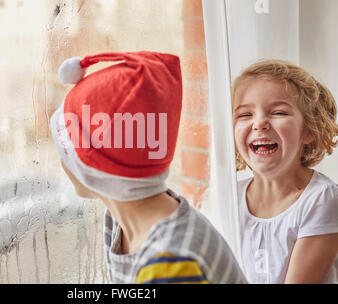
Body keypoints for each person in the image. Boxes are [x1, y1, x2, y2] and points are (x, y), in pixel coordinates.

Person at [50, 51, 246, 284]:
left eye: (65, 149)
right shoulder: (121, 222)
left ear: (94, 168)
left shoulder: (170, 265)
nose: (62, 159)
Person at [232, 59, 338, 283]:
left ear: (309, 130)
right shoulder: (230, 197)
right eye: (244, 115)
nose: (259, 123)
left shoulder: (321, 198)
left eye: (278, 113)